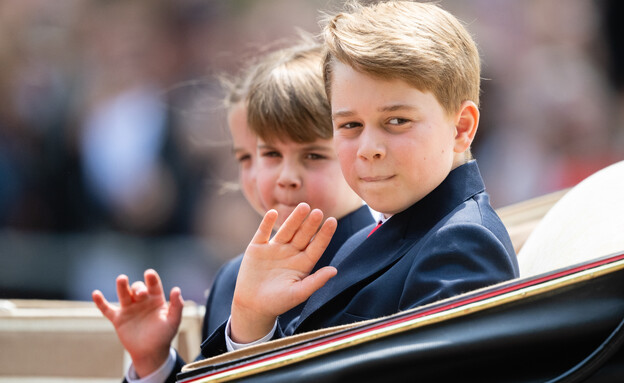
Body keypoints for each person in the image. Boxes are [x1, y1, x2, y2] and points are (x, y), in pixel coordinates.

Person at [200, 0, 519, 357]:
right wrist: (251, 321)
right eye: (350, 125)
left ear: (461, 128)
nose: (369, 148)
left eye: (396, 121)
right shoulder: (369, 240)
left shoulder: (461, 244)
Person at [92, 37, 373, 383]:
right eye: (267, 155)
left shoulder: (380, 261)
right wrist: (154, 364)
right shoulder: (232, 277)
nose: (284, 177)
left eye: (313, 156)